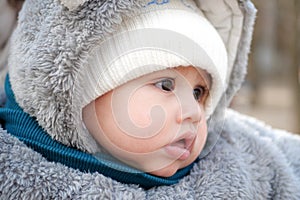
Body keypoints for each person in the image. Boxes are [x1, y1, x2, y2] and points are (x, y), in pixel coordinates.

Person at [0, 0, 300, 199]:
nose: (195, 112)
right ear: (75, 93)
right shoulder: (13, 173)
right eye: (166, 84)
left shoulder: (240, 159)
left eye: (199, 92)